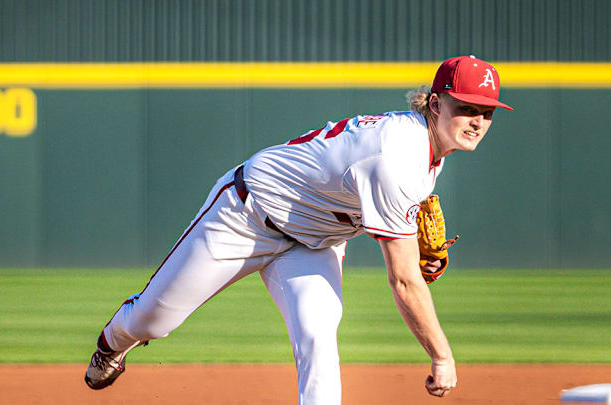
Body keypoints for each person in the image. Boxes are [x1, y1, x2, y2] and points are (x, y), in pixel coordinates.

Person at [84, 55, 513, 404]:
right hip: (246, 215)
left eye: (486, 112)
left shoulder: (424, 145)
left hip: (313, 244)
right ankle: (112, 344)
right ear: (436, 104)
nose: (477, 120)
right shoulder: (398, 155)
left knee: (318, 336)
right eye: (466, 108)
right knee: (153, 319)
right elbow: (404, 279)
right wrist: (442, 355)